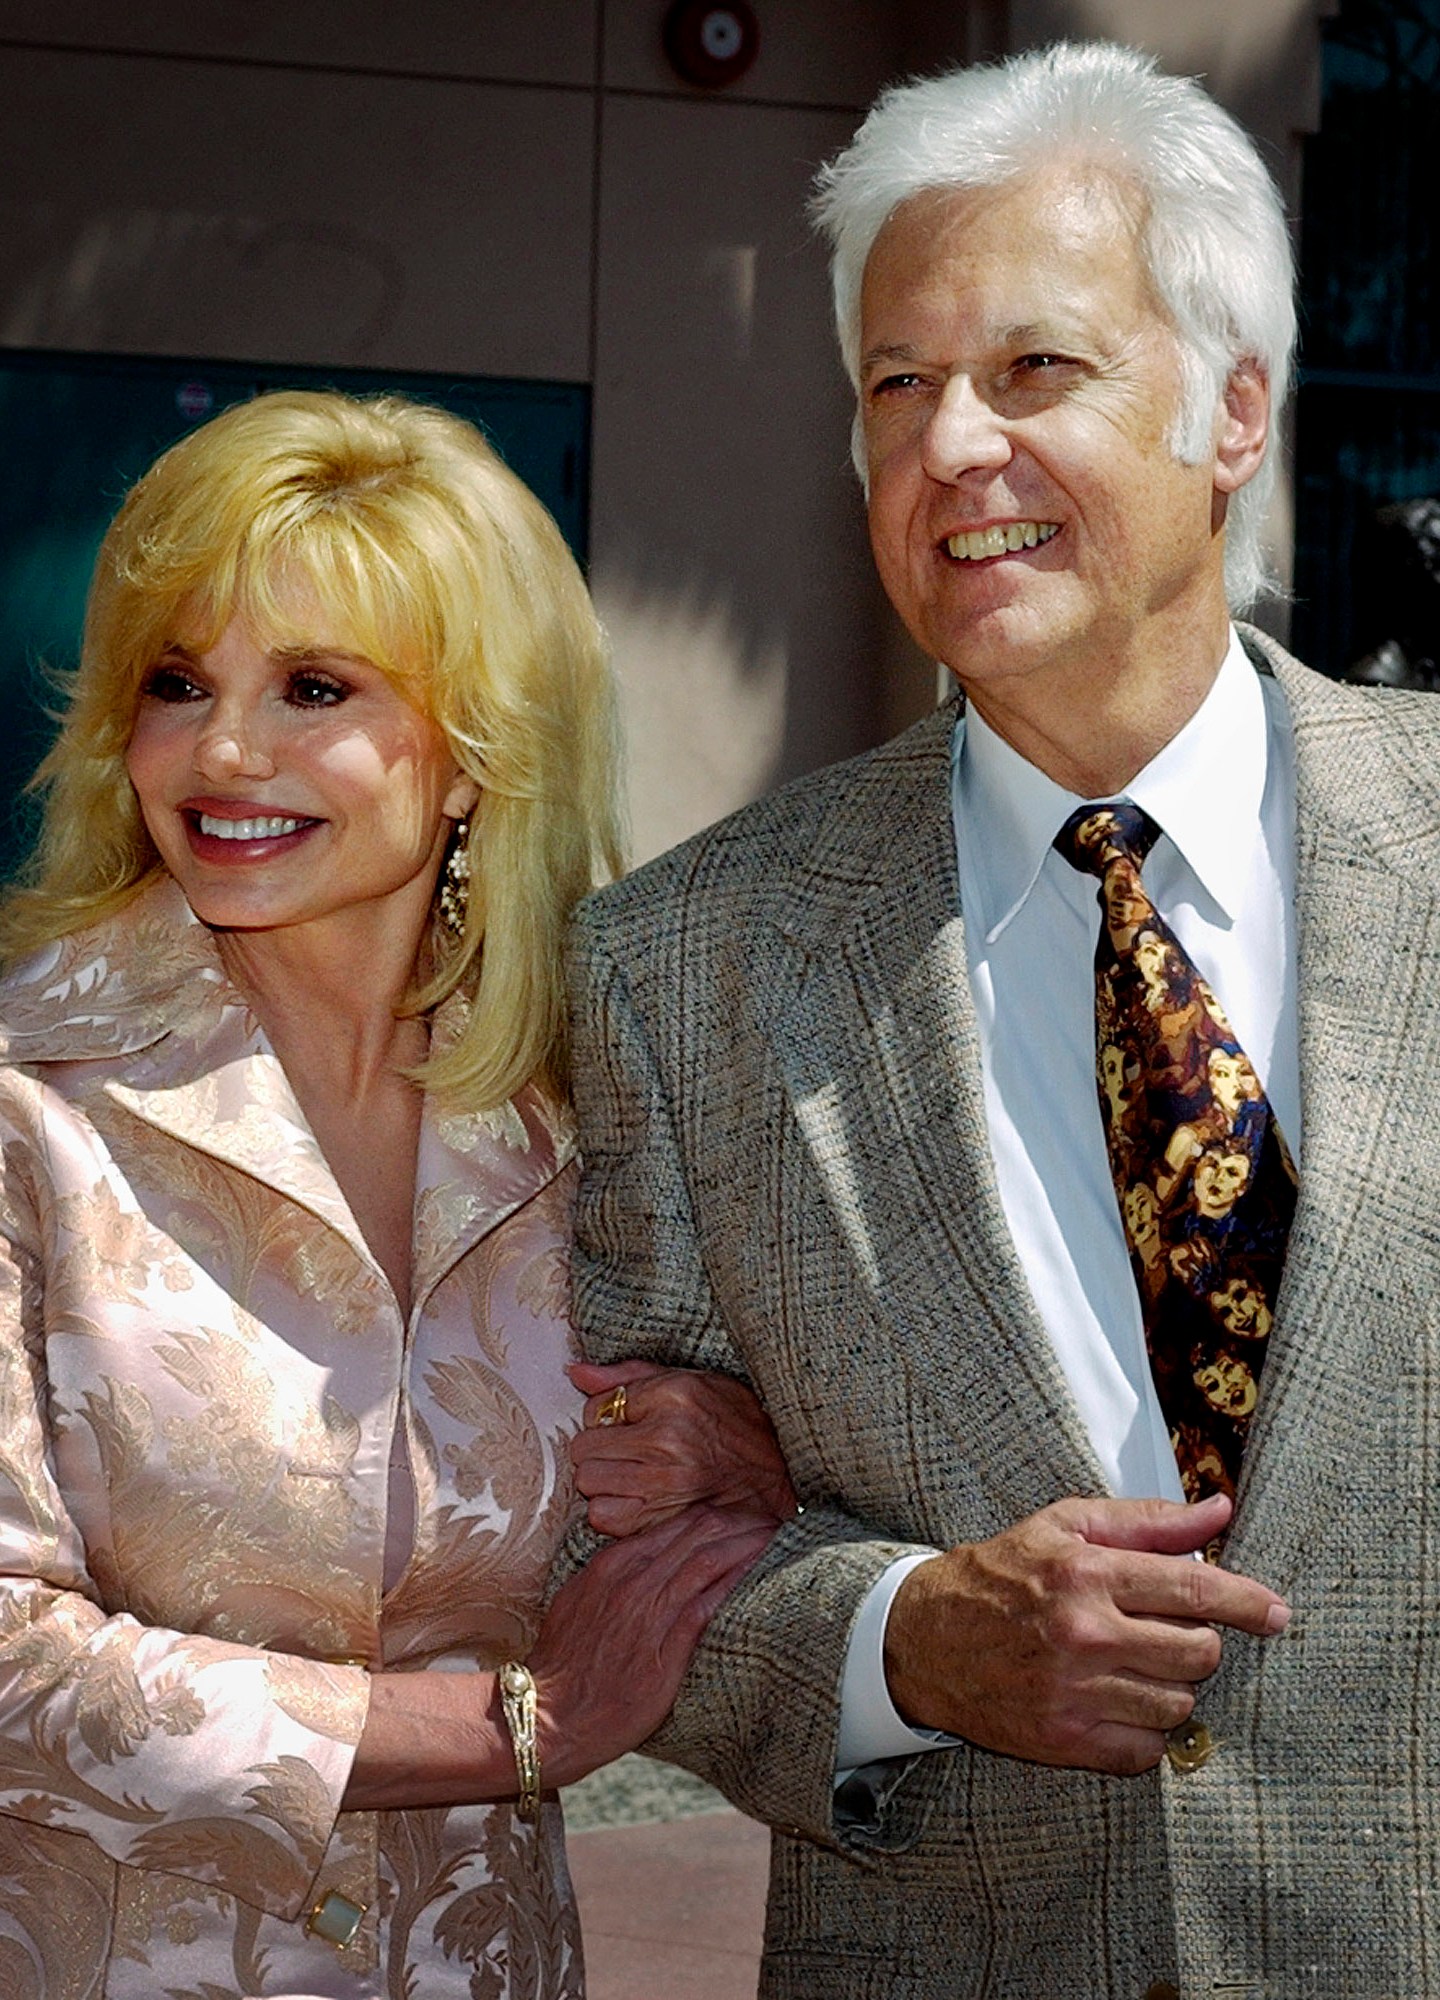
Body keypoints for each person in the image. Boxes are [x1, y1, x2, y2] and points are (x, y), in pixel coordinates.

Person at [568, 40, 1440, 1999]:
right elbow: (598, 1552)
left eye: (1031, 370)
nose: (948, 444)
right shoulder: (679, 968)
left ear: (1233, 412)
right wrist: (900, 1642)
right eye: (895, 385)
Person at [0, 388, 783, 2000]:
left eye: (312, 688)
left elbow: (721, 1532)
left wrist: (741, 1460)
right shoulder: (26, 1107)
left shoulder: (594, 1118)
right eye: (175, 682)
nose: (220, 752)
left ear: (478, 755)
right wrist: (509, 1724)